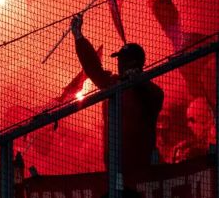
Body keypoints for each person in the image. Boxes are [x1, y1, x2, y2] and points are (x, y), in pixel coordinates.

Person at [70, 13, 164, 179]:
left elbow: (156, 98)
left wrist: (138, 82)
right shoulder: (112, 84)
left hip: (142, 168)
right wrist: (79, 37)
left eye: (122, 60)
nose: (119, 64)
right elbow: (93, 67)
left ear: (133, 63)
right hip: (114, 169)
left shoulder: (150, 90)